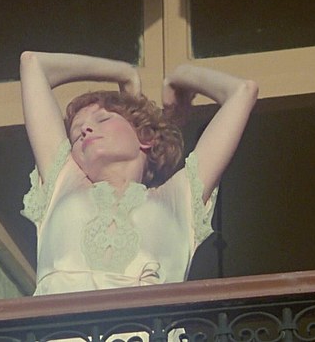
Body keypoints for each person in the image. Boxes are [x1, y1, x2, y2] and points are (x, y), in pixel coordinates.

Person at [19, 51, 257, 296]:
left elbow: (243, 91)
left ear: (146, 137)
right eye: (76, 132)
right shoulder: (62, 183)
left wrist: (180, 76)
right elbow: (33, 64)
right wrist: (123, 72)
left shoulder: (179, 198)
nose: (86, 129)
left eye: (103, 119)